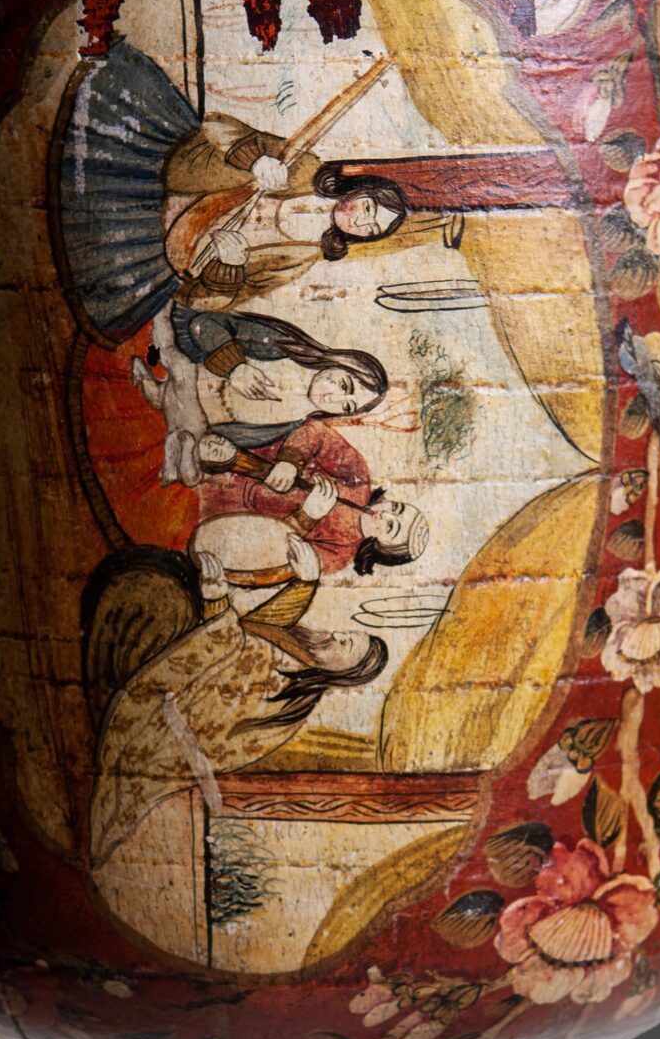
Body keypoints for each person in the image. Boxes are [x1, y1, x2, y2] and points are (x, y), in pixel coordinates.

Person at [56, 42, 409, 342]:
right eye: (368, 208)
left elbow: (205, 301)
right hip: (155, 164)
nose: (360, 221)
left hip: (149, 244)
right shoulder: (305, 167)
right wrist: (255, 160)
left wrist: (230, 267)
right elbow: (217, 125)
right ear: (357, 191)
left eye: (371, 228)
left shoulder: (300, 257)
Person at [89, 583, 386, 868]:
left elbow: (230, 668)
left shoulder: (290, 698)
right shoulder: (297, 647)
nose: (337, 634)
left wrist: (217, 602)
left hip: (166, 725)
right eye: (347, 633)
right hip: (170, 699)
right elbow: (254, 630)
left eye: (345, 644)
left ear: (345, 672)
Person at [191, 426, 428, 639]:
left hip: (219, 523)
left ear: (382, 548)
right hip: (230, 466)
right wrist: (290, 462)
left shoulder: (338, 555)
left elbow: (271, 558)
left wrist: (308, 516)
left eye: (391, 527)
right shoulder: (358, 480)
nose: (385, 515)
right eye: (396, 508)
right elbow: (318, 434)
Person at [129, 306, 387, 486]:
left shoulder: (291, 424)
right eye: (343, 386)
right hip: (181, 368)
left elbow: (229, 437)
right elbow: (202, 324)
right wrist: (235, 367)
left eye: (347, 407)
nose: (334, 399)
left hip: (187, 417)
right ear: (340, 362)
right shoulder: (282, 347)